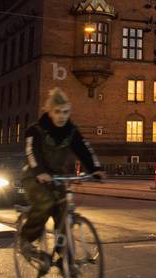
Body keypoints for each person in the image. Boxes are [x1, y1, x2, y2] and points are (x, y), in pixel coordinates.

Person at [19, 88, 102, 264]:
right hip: (34, 177)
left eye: (65, 112)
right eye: (57, 112)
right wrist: (39, 171)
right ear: (49, 111)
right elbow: (31, 152)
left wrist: (95, 168)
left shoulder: (71, 131)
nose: (61, 116)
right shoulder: (36, 130)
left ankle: (63, 253)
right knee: (46, 203)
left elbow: (84, 149)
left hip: (57, 177)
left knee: (63, 211)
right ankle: (26, 239)